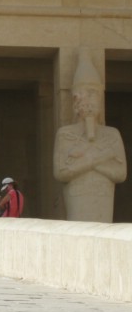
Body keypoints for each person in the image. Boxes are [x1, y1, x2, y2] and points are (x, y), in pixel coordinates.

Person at [54, 48, 127, 222]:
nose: (88, 101)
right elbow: (61, 172)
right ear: (75, 101)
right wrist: (96, 160)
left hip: (103, 193)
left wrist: (91, 163)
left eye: (93, 94)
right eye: (84, 95)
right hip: (77, 194)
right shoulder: (66, 134)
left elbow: (120, 173)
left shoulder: (112, 134)